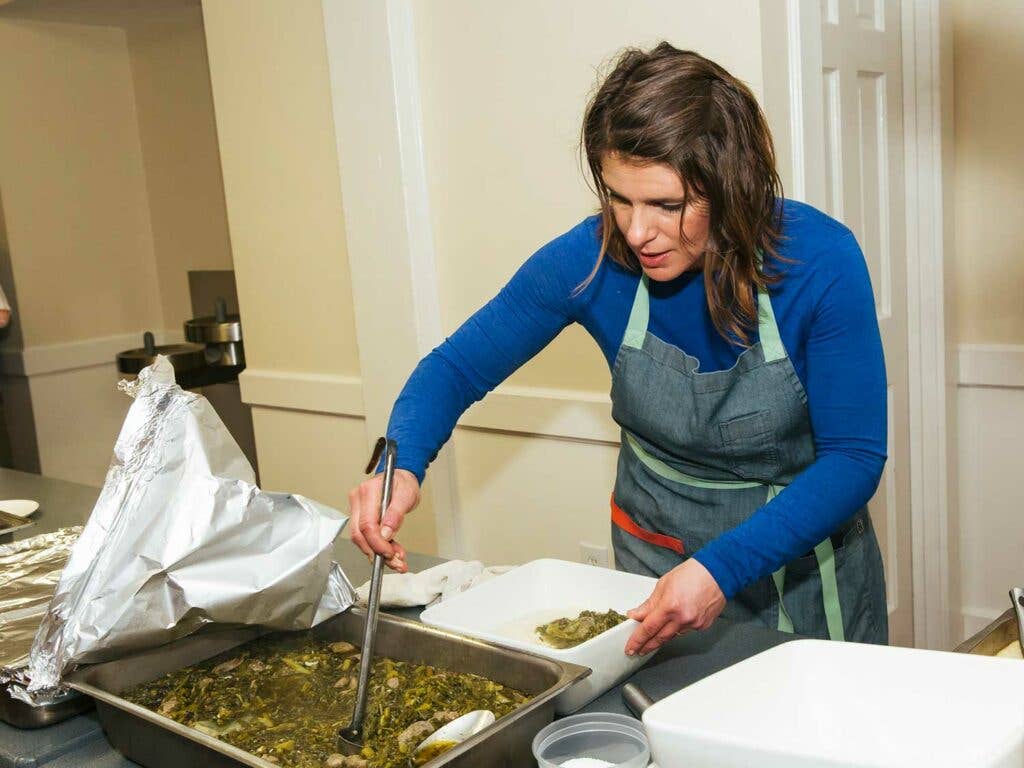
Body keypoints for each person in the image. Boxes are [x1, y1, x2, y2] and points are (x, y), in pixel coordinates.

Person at [346, 43, 888, 654]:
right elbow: (454, 367)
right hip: (651, 567)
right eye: (618, 198)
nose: (635, 231)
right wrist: (399, 464)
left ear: (731, 186)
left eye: (666, 204)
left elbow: (854, 458)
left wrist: (719, 569)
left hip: (800, 574)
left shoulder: (820, 262)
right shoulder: (590, 259)